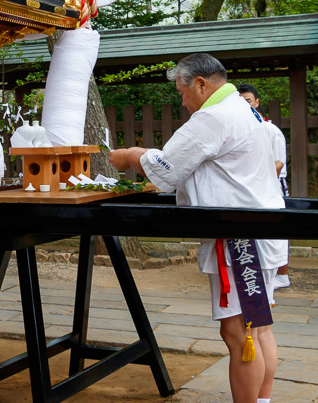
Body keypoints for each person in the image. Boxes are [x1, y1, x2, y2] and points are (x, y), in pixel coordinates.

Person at [109, 53, 286, 403]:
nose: (183, 101)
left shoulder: (214, 117)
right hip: (261, 228)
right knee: (259, 327)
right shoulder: (245, 110)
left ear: (201, 84)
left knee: (240, 334)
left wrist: (130, 155)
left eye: (182, 92)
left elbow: (165, 169)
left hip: (240, 239)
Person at [238, 83, 291, 290]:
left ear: (257, 102)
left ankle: (281, 274)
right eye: (240, 101)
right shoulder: (242, 128)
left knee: (275, 231)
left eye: (248, 100)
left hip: (272, 186)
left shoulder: (270, 130)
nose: (245, 105)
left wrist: (260, 182)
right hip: (251, 186)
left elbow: (278, 164)